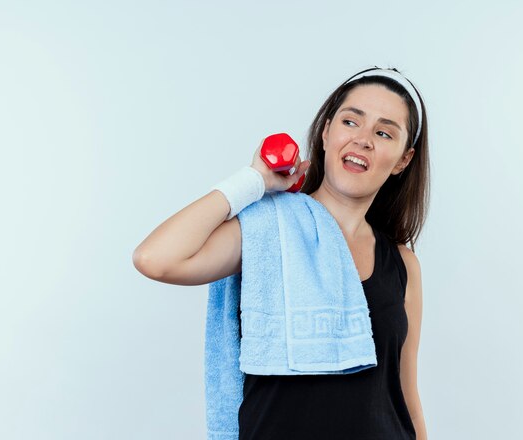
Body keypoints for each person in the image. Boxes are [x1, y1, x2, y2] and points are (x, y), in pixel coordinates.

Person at [133, 65, 429, 440]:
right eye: (351, 122)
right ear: (326, 132)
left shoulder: (404, 265)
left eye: (384, 132)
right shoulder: (267, 228)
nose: (364, 139)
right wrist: (253, 181)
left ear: (403, 160)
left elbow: (406, 398)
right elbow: (155, 259)